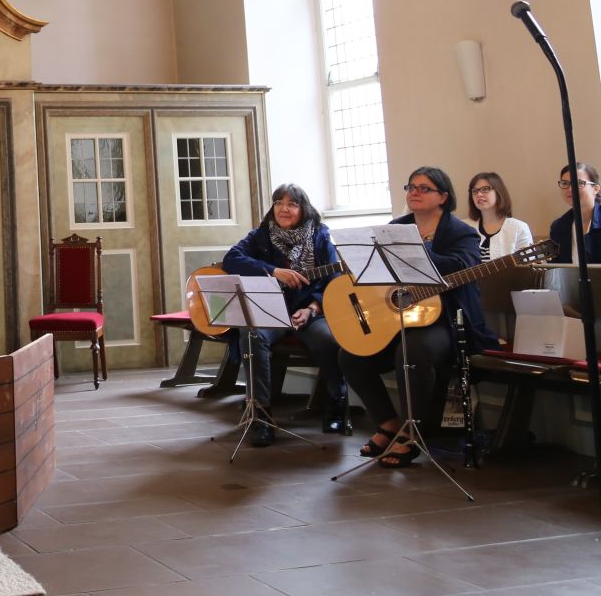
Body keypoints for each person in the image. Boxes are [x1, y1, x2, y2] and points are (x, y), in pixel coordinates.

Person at [338, 166, 496, 468]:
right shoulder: (394, 228)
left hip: (446, 322)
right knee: (350, 356)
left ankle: (415, 432)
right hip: (399, 318)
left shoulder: (460, 232)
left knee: (413, 350)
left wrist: (419, 252)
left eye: (424, 188)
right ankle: (388, 423)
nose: (415, 193)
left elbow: (463, 264)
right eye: (410, 187)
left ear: (443, 196)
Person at [222, 184, 350, 445]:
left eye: (291, 204)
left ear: (303, 209)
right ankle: (261, 416)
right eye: (279, 202)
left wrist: (312, 308)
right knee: (252, 334)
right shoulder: (261, 236)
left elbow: (335, 281)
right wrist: (273, 271)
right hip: (272, 311)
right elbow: (231, 259)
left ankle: (336, 406)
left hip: (312, 312)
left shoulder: (320, 236)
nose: (283, 208)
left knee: (330, 340)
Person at [550, 162, 601, 264]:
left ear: (595, 189)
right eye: (565, 183)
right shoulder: (558, 227)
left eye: (579, 183)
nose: (570, 189)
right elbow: (556, 269)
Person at [467, 171, 532, 261]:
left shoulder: (519, 228)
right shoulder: (465, 227)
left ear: (498, 192)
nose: (479, 194)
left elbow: (527, 270)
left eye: (485, 189)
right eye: (475, 191)